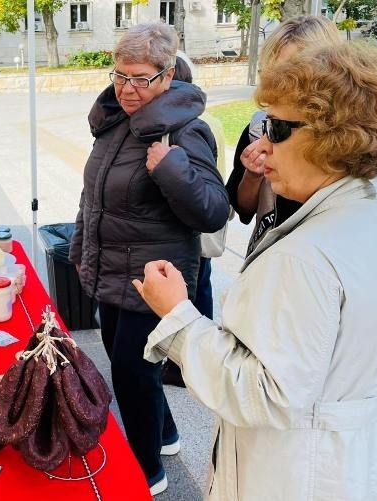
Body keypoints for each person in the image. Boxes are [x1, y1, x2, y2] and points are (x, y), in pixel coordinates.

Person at [134, 42, 377, 500]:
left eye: (276, 127)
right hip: (368, 464)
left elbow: (264, 394)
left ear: (333, 135)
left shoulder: (307, 255)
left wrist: (178, 316)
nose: (262, 144)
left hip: (298, 474)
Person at [68, 22, 229, 495]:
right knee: (133, 367)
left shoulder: (186, 130)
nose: (128, 88)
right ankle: (167, 435)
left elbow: (214, 210)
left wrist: (172, 168)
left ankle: (145, 473)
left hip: (154, 280)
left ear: (166, 75)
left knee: (132, 375)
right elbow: (91, 199)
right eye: (120, 76)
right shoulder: (115, 122)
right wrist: (81, 251)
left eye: (140, 78)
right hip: (112, 270)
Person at [226, 15, 377, 256]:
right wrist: (253, 174)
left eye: (299, 70)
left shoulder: (370, 131)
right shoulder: (262, 128)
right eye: (276, 70)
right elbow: (243, 208)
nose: (284, 82)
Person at [161, 54, 228, 387]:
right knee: (202, 286)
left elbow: (189, 180)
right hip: (207, 224)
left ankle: (185, 363)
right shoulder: (210, 119)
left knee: (189, 293)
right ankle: (197, 359)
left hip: (193, 223)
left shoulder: (186, 126)